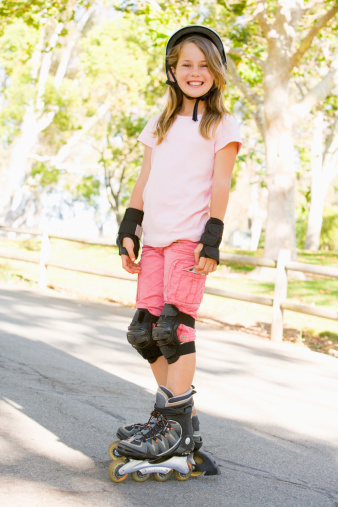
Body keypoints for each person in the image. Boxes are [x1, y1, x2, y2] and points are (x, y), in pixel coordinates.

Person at [115, 25, 242, 463]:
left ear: (216, 72)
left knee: (175, 328)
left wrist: (213, 237)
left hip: (190, 240)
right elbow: (144, 179)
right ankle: (175, 415)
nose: (195, 72)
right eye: (186, 64)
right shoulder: (159, 122)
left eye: (204, 65)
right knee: (145, 332)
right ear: (171, 70)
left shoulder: (222, 123)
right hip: (155, 239)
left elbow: (221, 184)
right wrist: (130, 225)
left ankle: (172, 422)